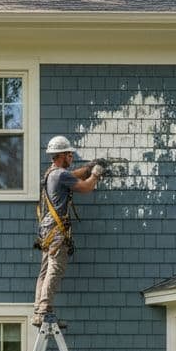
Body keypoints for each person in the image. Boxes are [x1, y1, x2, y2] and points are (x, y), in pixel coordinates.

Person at [33, 136, 105, 326]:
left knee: (45, 270)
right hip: (56, 230)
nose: (71, 156)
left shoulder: (51, 173)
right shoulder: (60, 175)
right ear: (61, 155)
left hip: (47, 229)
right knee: (56, 268)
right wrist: (95, 174)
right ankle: (45, 309)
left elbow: (73, 175)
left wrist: (89, 167)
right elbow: (85, 187)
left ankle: (38, 310)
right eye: (69, 154)